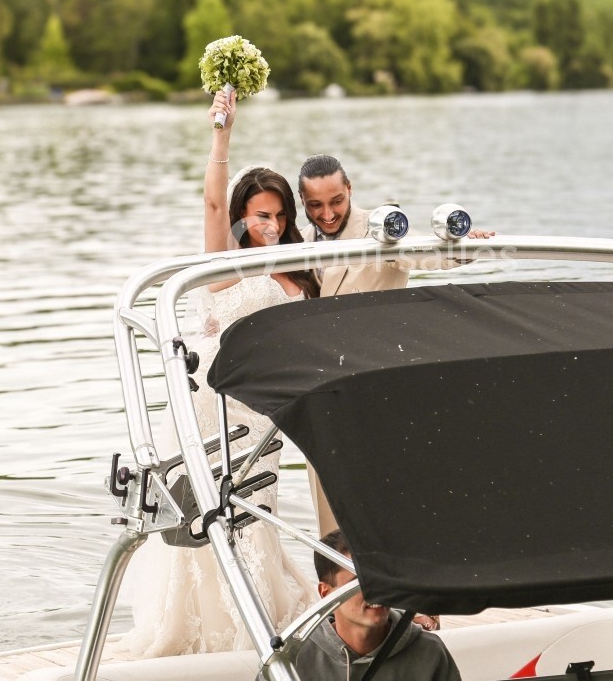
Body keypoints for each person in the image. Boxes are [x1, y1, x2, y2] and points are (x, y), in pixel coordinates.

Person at [116, 89, 319, 657]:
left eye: (280, 216)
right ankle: (229, 623)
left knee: (264, 504)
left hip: (269, 409)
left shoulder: (296, 269)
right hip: (221, 402)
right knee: (223, 506)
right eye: (262, 216)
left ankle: (268, 608)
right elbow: (210, 204)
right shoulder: (224, 263)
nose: (273, 226)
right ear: (241, 217)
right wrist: (221, 134)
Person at [298, 154, 494, 535]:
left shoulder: (382, 227)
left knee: (385, 512)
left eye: (336, 201)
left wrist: (462, 245)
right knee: (331, 523)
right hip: (318, 398)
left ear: (349, 189)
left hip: (373, 390)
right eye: (315, 205)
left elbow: (423, 253)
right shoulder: (298, 242)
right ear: (302, 201)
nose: (327, 214)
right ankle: (338, 592)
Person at [259, 529, 461, 681]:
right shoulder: (290, 661)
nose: (376, 590)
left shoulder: (431, 653)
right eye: (358, 582)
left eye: (381, 578)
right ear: (325, 592)